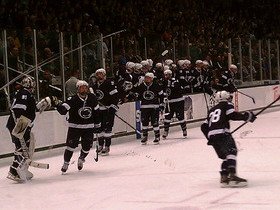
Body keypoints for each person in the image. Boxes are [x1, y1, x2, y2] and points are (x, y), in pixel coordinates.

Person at [6, 76, 58, 182]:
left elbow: (31, 109)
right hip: (20, 124)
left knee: (24, 147)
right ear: (30, 85)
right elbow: (18, 109)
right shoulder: (24, 93)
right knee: (21, 148)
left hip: (22, 124)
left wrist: (45, 102)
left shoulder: (25, 94)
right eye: (33, 84)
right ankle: (15, 171)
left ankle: (18, 170)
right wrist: (19, 126)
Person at [200, 90, 256, 188]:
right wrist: (247, 117)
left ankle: (224, 177)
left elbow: (203, 126)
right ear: (227, 98)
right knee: (231, 151)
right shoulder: (227, 105)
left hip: (212, 136)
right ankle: (233, 176)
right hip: (222, 133)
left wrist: (210, 137)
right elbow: (232, 115)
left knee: (226, 155)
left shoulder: (212, 110)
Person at [56, 80, 101, 173]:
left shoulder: (92, 98)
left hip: (88, 127)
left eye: (85, 87)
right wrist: (57, 104)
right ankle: (66, 163)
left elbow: (96, 112)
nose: (83, 89)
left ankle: (81, 158)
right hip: (75, 128)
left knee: (87, 147)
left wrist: (97, 124)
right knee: (70, 147)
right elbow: (63, 110)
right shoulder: (72, 99)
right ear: (77, 89)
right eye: (81, 87)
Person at [90, 68, 119, 156]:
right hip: (99, 110)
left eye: (101, 74)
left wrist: (113, 106)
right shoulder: (94, 86)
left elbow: (115, 96)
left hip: (108, 109)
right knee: (99, 129)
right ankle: (101, 145)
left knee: (107, 128)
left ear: (104, 75)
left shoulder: (109, 83)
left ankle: (107, 146)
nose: (99, 75)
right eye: (97, 74)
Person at [129, 72, 164, 145]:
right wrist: (131, 93)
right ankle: (145, 137)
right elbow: (137, 94)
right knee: (144, 122)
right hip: (144, 107)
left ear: (151, 79)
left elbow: (161, 96)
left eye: (148, 77)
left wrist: (161, 104)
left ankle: (157, 136)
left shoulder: (156, 85)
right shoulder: (141, 86)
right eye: (145, 77)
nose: (146, 79)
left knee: (155, 122)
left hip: (154, 107)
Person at [162, 69, 187, 139]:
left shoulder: (176, 81)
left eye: (168, 74)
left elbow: (177, 88)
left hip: (178, 101)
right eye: (165, 75)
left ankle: (184, 130)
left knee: (180, 116)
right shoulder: (164, 82)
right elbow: (163, 90)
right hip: (169, 102)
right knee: (167, 117)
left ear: (170, 74)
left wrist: (170, 86)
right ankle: (166, 131)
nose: (166, 76)